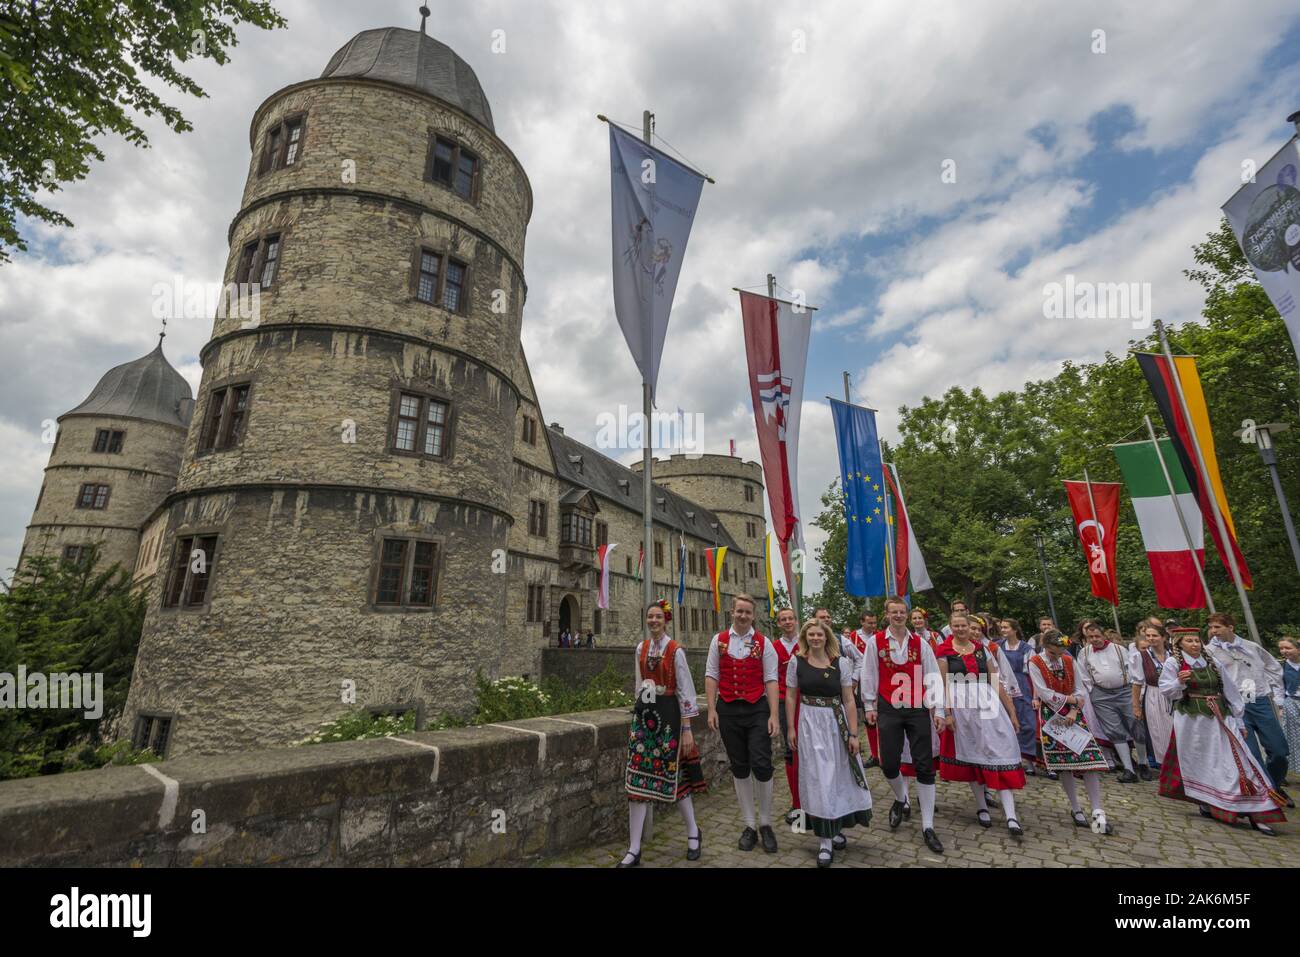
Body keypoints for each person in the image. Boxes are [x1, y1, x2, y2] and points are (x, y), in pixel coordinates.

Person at [1159, 626, 1286, 835]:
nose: (1194, 644)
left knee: (1240, 761)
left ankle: (1258, 812)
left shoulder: (1212, 661)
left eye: (1197, 640)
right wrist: (1179, 682)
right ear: (1179, 643)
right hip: (1192, 723)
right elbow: (1167, 691)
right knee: (1202, 762)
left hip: (1221, 717)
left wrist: (1240, 721)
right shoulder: (1174, 663)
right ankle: (1208, 801)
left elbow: (1230, 690)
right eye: (1189, 641)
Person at [620, 601, 707, 867]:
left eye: (658, 617)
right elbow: (638, 686)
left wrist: (688, 728)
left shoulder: (675, 650)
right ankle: (634, 848)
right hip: (645, 718)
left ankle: (693, 831)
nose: (654, 621)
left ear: (665, 620)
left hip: (669, 718)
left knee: (674, 777)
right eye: (650, 617)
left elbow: (686, 691)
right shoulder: (641, 648)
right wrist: (636, 714)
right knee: (637, 780)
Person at [860, 596, 946, 854]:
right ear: (886, 615)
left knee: (924, 765)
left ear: (907, 615)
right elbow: (869, 673)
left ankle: (928, 826)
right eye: (893, 612)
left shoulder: (921, 643)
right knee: (889, 764)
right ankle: (901, 797)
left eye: (902, 612)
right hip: (888, 706)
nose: (898, 616)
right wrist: (869, 706)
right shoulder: (876, 642)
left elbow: (932, 676)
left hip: (917, 707)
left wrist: (938, 709)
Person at [785, 618, 872, 866]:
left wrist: (854, 734)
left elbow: (849, 700)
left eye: (819, 635)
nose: (815, 638)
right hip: (809, 724)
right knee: (818, 777)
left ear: (826, 637)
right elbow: (791, 696)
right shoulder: (797, 662)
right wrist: (791, 727)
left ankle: (835, 826)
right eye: (811, 634)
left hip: (836, 724)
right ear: (805, 637)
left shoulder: (840, 663)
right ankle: (824, 839)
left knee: (837, 776)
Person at [937, 614, 1026, 836]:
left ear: (971, 628)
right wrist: (947, 713)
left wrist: (1011, 711)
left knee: (1002, 749)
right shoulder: (944, 651)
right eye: (955, 626)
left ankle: (1011, 815)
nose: (960, 629)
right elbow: (942, 684)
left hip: (987, 703)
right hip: (962, 707)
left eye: (964, 626)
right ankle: (981, 806)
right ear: (951, 628)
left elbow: (995, 680)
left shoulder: (982, 650)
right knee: (973, 754)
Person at [705, 594, 781, 853]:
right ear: (732, 612)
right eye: (739, 611)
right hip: (728, 709)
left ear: (753, 615)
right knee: (739, 767)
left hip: (756, 707)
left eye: (748, 612)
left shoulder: (764, 642)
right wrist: (712, 708)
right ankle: (749, 825)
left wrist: (773, 714)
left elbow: (771, 678)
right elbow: (712, 674)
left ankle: (765, 822)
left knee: (761, 763)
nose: (743, 616)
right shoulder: (719, 640)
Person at [1028, 629, 1115, 834]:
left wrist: (1075, 708)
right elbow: (1044, 693)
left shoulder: (1068, 659)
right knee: (1065, 764)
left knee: (1090, 761)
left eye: (1060, 652)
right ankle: (1076, 808)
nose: (1057, 656)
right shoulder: (1035, 662)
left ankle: (1097, 811)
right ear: (1045, 647)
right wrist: (1071, 701)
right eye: (1052, 653)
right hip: (1052, 715)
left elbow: (1079, 688)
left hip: (1074, 713)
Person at [1205, 613, 1292, 807]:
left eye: (1217, 627)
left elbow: (1274, 668)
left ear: (1230, 627)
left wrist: (1276, 695)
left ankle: (1275, 784)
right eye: (1211, 627)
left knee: (1279, 750)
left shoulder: (1250, 647)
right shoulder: (1209, 652)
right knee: (1251, 754)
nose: (1213, 631)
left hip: (1259, 700)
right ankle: (1269, 794)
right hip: (1235, 705)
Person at [1075, 619, 1146, 782]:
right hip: (1101, 695)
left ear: (1102, 634)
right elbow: (1083, 674)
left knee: (1136, 724)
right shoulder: (1084, 653)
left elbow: (1132, 670)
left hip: (1124, 692)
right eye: (1090, 637)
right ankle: (1129, 770)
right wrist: (1093, 692)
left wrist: (1135, 692)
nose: (1094, 639)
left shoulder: (1119, 649)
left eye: (1097, 636)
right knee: (1114, 730)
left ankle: (1143, 763)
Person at [771, 606, 802, 825]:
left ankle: (813, 799)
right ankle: (796, 801)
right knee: (791, 750)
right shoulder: (773, 648)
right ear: (779, 623)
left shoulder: (808, 642)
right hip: (784, 700)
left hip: (808, 701)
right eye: (783, 619)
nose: (788, 622)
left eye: (791, 618)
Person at [997, 618, 1040, 774]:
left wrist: (1035, 696)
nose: (1003, 630)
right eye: (1001, 627)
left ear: (1014, 630)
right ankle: (1014, 758)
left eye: (1006, 627)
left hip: (1022, 684)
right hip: (1003, 684)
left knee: (1028, 724)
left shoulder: (1026, 648)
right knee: (1007, 722)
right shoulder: (998, 646)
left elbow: (1034, 673)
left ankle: (1031, 760)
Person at [1130, 621, 1173, 769]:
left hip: (1175, 696)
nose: (1151, 638)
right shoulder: (1140, 656)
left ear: (1163, 637)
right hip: (1154, 695)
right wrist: (1136, 707)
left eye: (1154, 635)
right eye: (1148, 636)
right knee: (1159, 733)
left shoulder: (1173, 653)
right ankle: (1167, 768)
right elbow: (1136, 683)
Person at [1280, 637, 1300, 778]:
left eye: (1288, 648)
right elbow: (1278, 687)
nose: (1284, 651)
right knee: (1293, 738)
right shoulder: (1281, 666)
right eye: (1282, 648)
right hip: (1291, 702)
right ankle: (1293, 770)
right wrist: (1281, 705)